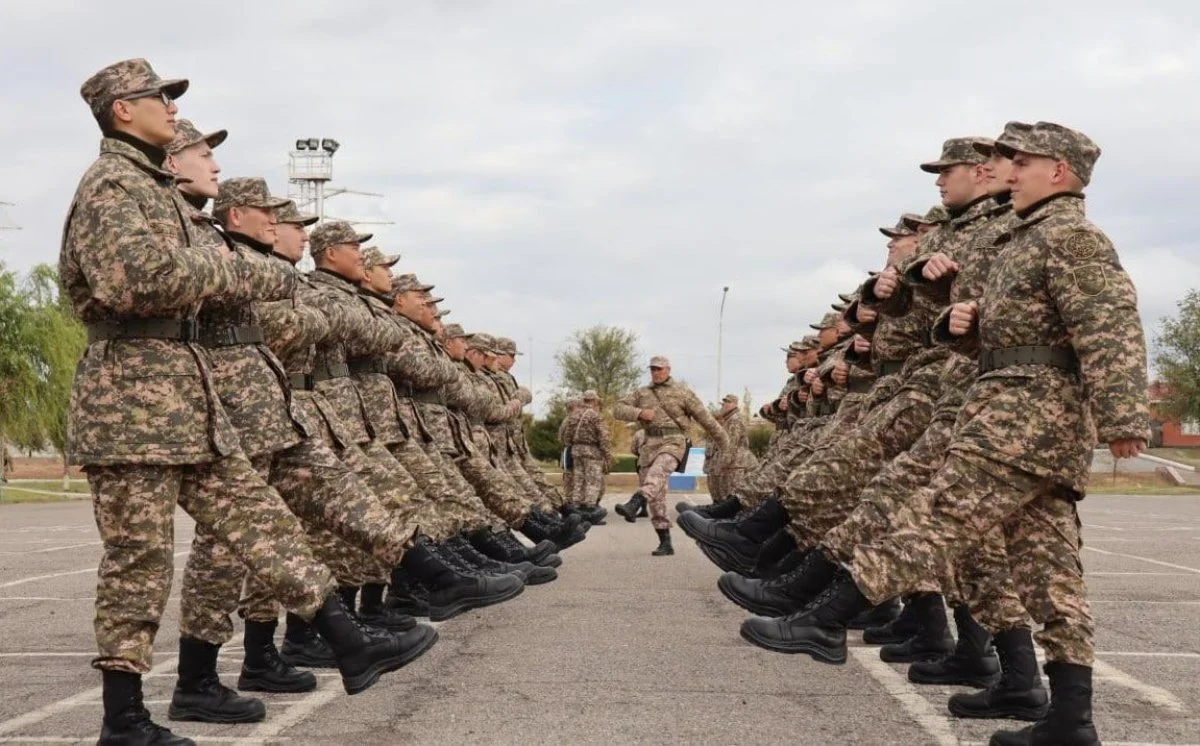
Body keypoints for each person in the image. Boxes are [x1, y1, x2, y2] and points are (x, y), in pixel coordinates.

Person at [738, 122, 1149, 746]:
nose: (1010, 171)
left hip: (1026, 421)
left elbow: (1110, 324)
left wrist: (1124, 419)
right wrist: (964, 323)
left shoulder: (1071, 237)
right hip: (1010, 411)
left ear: (1058, 171)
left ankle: (827, 618)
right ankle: (1070, 715)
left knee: (933, 515)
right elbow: (1011, 329)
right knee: (1049, 571)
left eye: (1022, 162)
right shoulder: (1024, 238)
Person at [61, 59, 412, 745]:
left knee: (263, 520)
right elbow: (139, 279)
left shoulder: (150, 188)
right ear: (122, 111)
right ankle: (124, 718)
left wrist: (235, 275)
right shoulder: (111, 185)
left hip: (187, 396)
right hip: (129, 404)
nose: (170, 107)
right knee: (140, 559)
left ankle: (347, 639)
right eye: (158, 97)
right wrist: (240, 270)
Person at [613, 356, 730, 556]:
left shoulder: (682, 393)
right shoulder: (642, 393)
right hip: (648, 445)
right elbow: (617, 409)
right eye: (652, 369)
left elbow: (706, 419)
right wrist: (639, 413)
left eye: (659, 369)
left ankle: (636, 500)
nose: (656, 373)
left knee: (657, 474)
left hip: (673, 443)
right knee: (656, 498)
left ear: (668, 370)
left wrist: (725, 443)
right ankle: (665, 542)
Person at [564, 390, 611, 509]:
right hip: (592, 452)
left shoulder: (573, 415)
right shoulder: (595, 415)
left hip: (576, 451)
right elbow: (604, 437)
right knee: (593, 481)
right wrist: (607, 455)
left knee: (578, 480)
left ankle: (576, 506)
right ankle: (590, 509)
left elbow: (567, 436)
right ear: (594, 400)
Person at [705, 394, 754, 502]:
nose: (724, 405)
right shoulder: (729, 419)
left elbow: (731, 445)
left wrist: (722, 464)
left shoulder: (734, 419)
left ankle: (731, 516)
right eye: (724, 403)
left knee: (731, 493)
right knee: (724, 493)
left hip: (735, 464)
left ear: (735, 404)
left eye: (728, 402)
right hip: (731, 463)